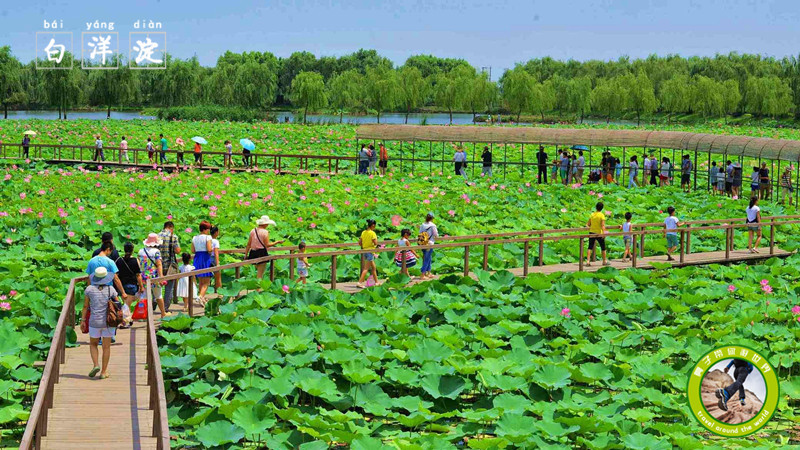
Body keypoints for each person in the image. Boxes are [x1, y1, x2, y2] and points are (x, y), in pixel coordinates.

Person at [82, 267, 119, 379]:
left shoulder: (89, 289)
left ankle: (96, 365)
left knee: (93, 344)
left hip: (94, 321)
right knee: (106, 347)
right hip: (108, 321)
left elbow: (85, 306)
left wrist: (83, 320)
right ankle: (103, 372)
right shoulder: (111, 289)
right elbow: (117, 303)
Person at [139, 233, 171, 317]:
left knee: (144, 296)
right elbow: (159, 265)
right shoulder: (156, 252)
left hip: (143, 277)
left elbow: (139, 264)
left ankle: (144, 314)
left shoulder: (141, 251)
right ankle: (163, 313)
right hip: (154, 277)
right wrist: (161, 277)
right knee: (158, 295)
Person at [158, 221, 181, 311]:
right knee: (169, 288)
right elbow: (178, 250)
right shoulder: (173, 237)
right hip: (169, 265)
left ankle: (154, 304)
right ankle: (165, 308)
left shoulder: (157, 236)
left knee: (156, 287)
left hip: (158, 265)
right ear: (171, 227)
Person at [115, 242, 143, 310]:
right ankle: (128, 319)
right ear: (132, 250)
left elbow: (116, 275)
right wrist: (141, 286)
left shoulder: (119, 260)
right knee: (127, 307)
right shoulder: (135, 260)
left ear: (124, 249)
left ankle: (127, 319)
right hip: (132, 285)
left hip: (121, 285)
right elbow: (138, 275)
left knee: (126, 305)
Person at [191, 221, 214, 304]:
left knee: (201, 281)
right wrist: (212, 250)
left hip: (197, 258)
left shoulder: (194, 238)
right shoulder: (208, 237)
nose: (209, 231)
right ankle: (200, 297)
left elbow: (192, 250)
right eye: (208, 229)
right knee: (207, 281)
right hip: (205, 258)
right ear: (205, 229)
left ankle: (202, 297)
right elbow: (209, 249)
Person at [356, 219, 379, 289]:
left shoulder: (363, 232)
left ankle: (377, 282)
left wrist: (365, 245)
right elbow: (375, 242)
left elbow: (360, 243)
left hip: (364, 251)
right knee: (366, 268)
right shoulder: (372, 233)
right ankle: (359, 282)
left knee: (374, 267)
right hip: (370, 251)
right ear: (373, 225)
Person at [586, 202, 609, 266]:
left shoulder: (592, 214)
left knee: (590, 247)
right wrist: (604, 233)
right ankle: (604, 261)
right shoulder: (601, 215)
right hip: (599, 233)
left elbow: (588, 224)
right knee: (603, 247)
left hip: (592, 232)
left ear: (596, 207)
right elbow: (603, 225)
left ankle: (588, 261)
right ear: (602, 208)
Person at [419, 212, 439, 280]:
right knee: (427, 259)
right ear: (432, 218)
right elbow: (436, 235)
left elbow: (420, 233)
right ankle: (422, 274)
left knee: (428, 258)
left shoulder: (422, 224)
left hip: (423, 243)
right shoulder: (433, 225)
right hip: (430, 243)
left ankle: (429, 273)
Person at [210, 226, 221, 291]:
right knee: (218, 276)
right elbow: (216, 253)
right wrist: (217, 263)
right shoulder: (215, 241)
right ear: (216, 232)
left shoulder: (208, 240)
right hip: (213, 258)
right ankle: (219, 291)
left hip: (207, 258)